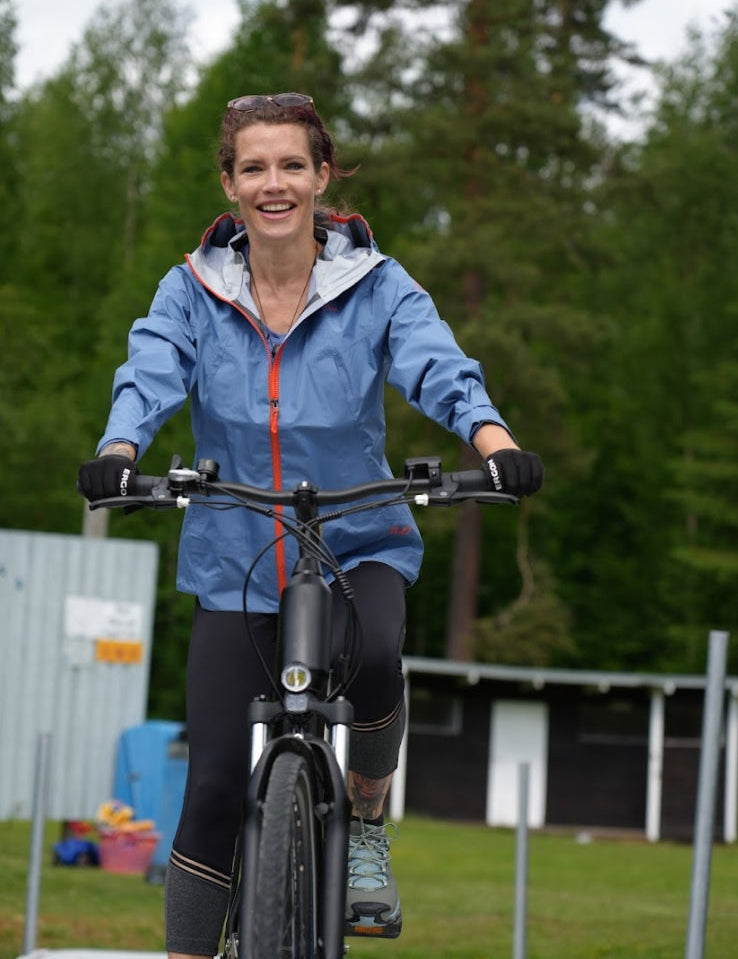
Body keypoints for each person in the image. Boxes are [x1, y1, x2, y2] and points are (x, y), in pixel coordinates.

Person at [77, 91, 543, 957]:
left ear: (322, 176)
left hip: (357, 536)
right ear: (230, 184)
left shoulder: (377, 285)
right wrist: (119, 446)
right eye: (254, 167)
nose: (274, 183)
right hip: (236, 551)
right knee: (213, 784)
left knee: (375, 655)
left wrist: (494, 441)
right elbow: (151, 367)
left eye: (292, 165)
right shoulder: (191, 290)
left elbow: (437, 364)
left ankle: (365, 819)